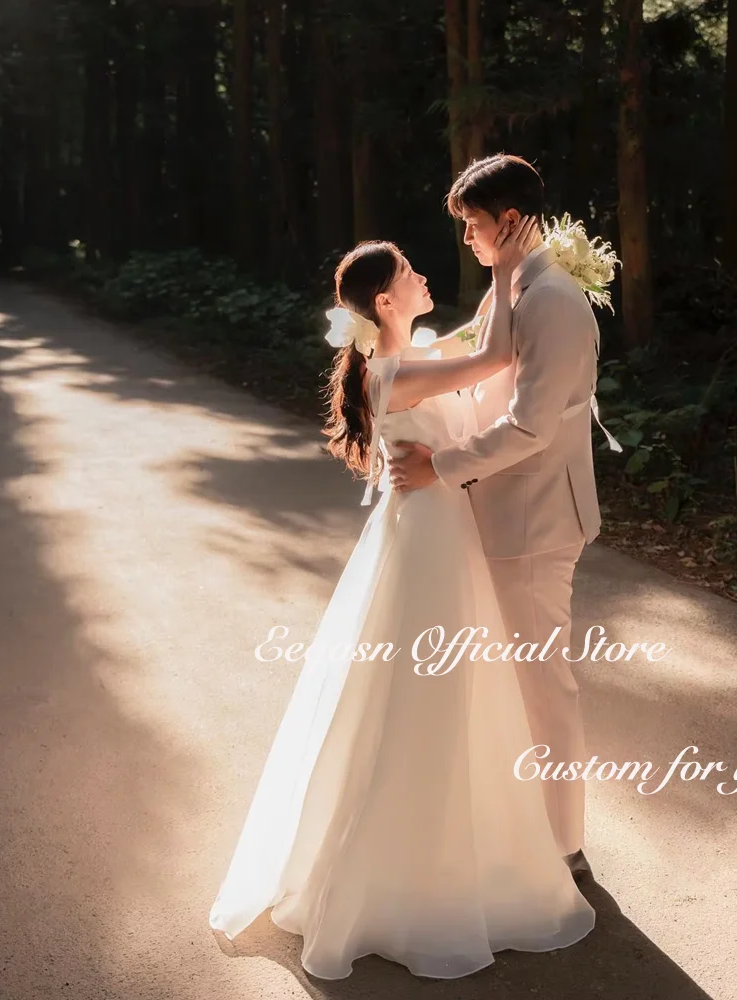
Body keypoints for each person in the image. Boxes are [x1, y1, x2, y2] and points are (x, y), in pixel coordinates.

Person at [208, 218, 595, 981]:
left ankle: (467, 841)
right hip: (429, 538)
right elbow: (492, 353)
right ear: (386, 302)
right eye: (413, 272)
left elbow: (475, 338)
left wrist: (523, 278)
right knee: (430, 696)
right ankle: (410, 868)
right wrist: (517, 267)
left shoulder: (410, 356)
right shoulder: (397, 372)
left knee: (457, 691)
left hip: (443, 528)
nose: (424, 276)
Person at [389, 154, 604, 880]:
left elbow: (531, 426)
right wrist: (388, 360)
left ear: (510, 221)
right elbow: (471, 364)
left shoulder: (551, 300)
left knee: (544, 687)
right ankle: (518, 834)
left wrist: (438, 467)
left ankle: (564, 848)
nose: (470, 240)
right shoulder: (509, 289)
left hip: (536, 520)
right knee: (511, 683)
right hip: (498, 514)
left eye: (476, 226)